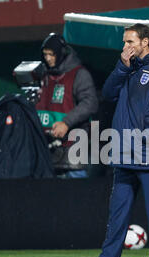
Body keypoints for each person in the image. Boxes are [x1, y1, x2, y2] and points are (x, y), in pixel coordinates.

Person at [73, 24, 149, 257]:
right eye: (123, 42)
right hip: (122, 151)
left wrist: (144, 136)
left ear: (145, 42)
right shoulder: (129, 69)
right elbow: (108, 93)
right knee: (118, 210)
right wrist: (122, 66)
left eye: (130, 42)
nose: (125, 47)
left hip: (147, 152)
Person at [36, 33, 98, 178]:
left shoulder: (79, 74)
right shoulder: (44, 75)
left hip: (72, 150)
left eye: (52, 54)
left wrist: (66, 123)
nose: (48, 58)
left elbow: (90, 103)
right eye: (45, 54)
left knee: (78, 195)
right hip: (47, 148)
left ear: (61, 54)